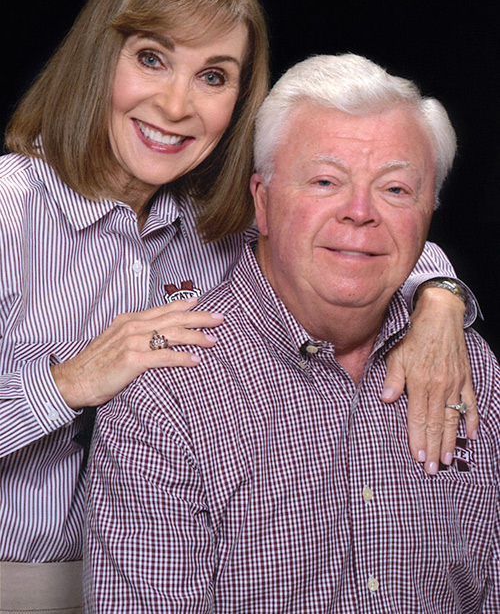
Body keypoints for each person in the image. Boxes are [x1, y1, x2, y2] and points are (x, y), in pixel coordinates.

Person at [0, 0, 475, 612]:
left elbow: (354, 235)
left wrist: (440, 299)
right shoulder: (7, 211)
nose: (174, 105)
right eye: (152, 58)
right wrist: (68, 381)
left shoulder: (214, 229)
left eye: (213, 76)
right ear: (99, 57)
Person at [85, 54, 500, 613]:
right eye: (326, 181)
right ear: (262, 198)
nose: (360, 212)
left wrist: (443, 293)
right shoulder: (164, 395)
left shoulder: (468, 366)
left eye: (396, 190)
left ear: (430, 208)